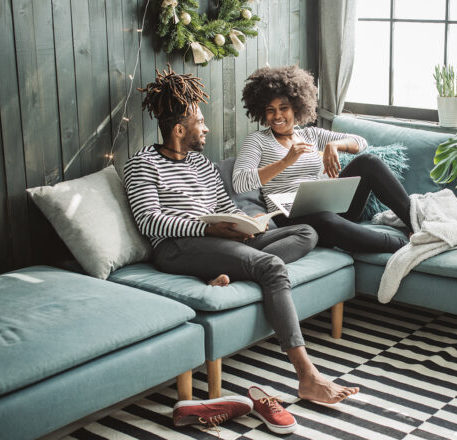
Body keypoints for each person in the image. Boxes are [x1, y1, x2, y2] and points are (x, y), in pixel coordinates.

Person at [123, 66, 358, 428]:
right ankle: (308, 376)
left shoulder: (201, 163)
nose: (206, 128)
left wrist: (248, 224)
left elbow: (226, 204)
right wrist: (210, 229)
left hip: (222, 239)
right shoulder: (142, 165)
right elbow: (150, 221)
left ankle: (236, 268)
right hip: (179, 247)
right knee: (271, 267)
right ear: (179, 129)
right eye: (199, 122)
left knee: (306, 233)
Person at [233, 65, 412, 253]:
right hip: (290, 218)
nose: (277, 115)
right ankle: (404, 246)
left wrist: (334, 145)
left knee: (368, 162)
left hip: (327, 207)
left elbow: (361, 142)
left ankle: (415, 226)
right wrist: (285, 161)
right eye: (270, 110)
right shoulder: (257, 140)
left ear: (296, 107)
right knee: (326, 219)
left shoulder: (311, 135)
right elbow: (240, 182)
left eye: (283, 108)